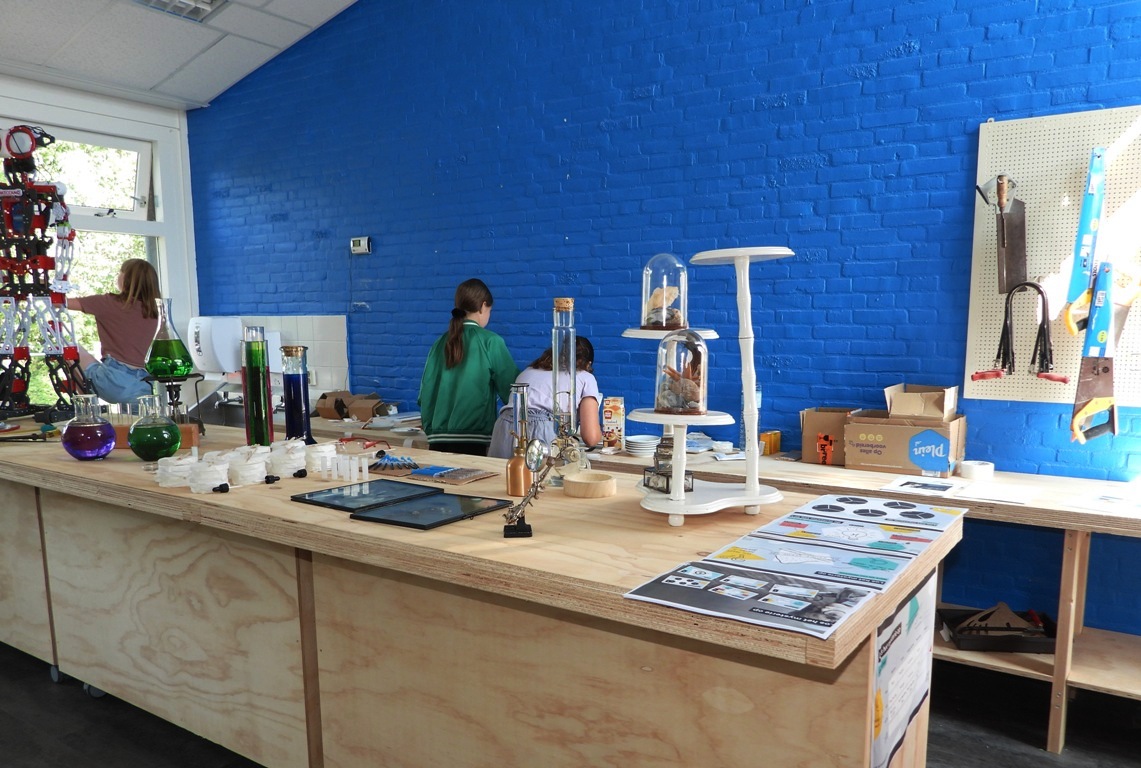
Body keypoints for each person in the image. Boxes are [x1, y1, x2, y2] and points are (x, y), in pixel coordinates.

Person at [418, 278, 520, 456]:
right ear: (483, 306)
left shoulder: (439, 343)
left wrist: (430, 428)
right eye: (489, 311)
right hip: (474, 441)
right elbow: (512, 392)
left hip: (437, 440)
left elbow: (425, 393)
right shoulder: (490, 341)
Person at [488, 336, 602, 459]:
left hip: (504, 426)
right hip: (541, 430)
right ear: (588, 364)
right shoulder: (586, 377)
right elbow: (591, 438)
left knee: (502, 471)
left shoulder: (529, 370)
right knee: (549, 471)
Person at [68, 258, 161, 406]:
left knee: (68, 347)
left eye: (120, 272)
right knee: (137, 421)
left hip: (112, 382)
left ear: (125, 278)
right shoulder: (155, 311)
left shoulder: (109, 302)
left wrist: (46, 287)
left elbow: (61, 302)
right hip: (143, 386)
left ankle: (87, 407)